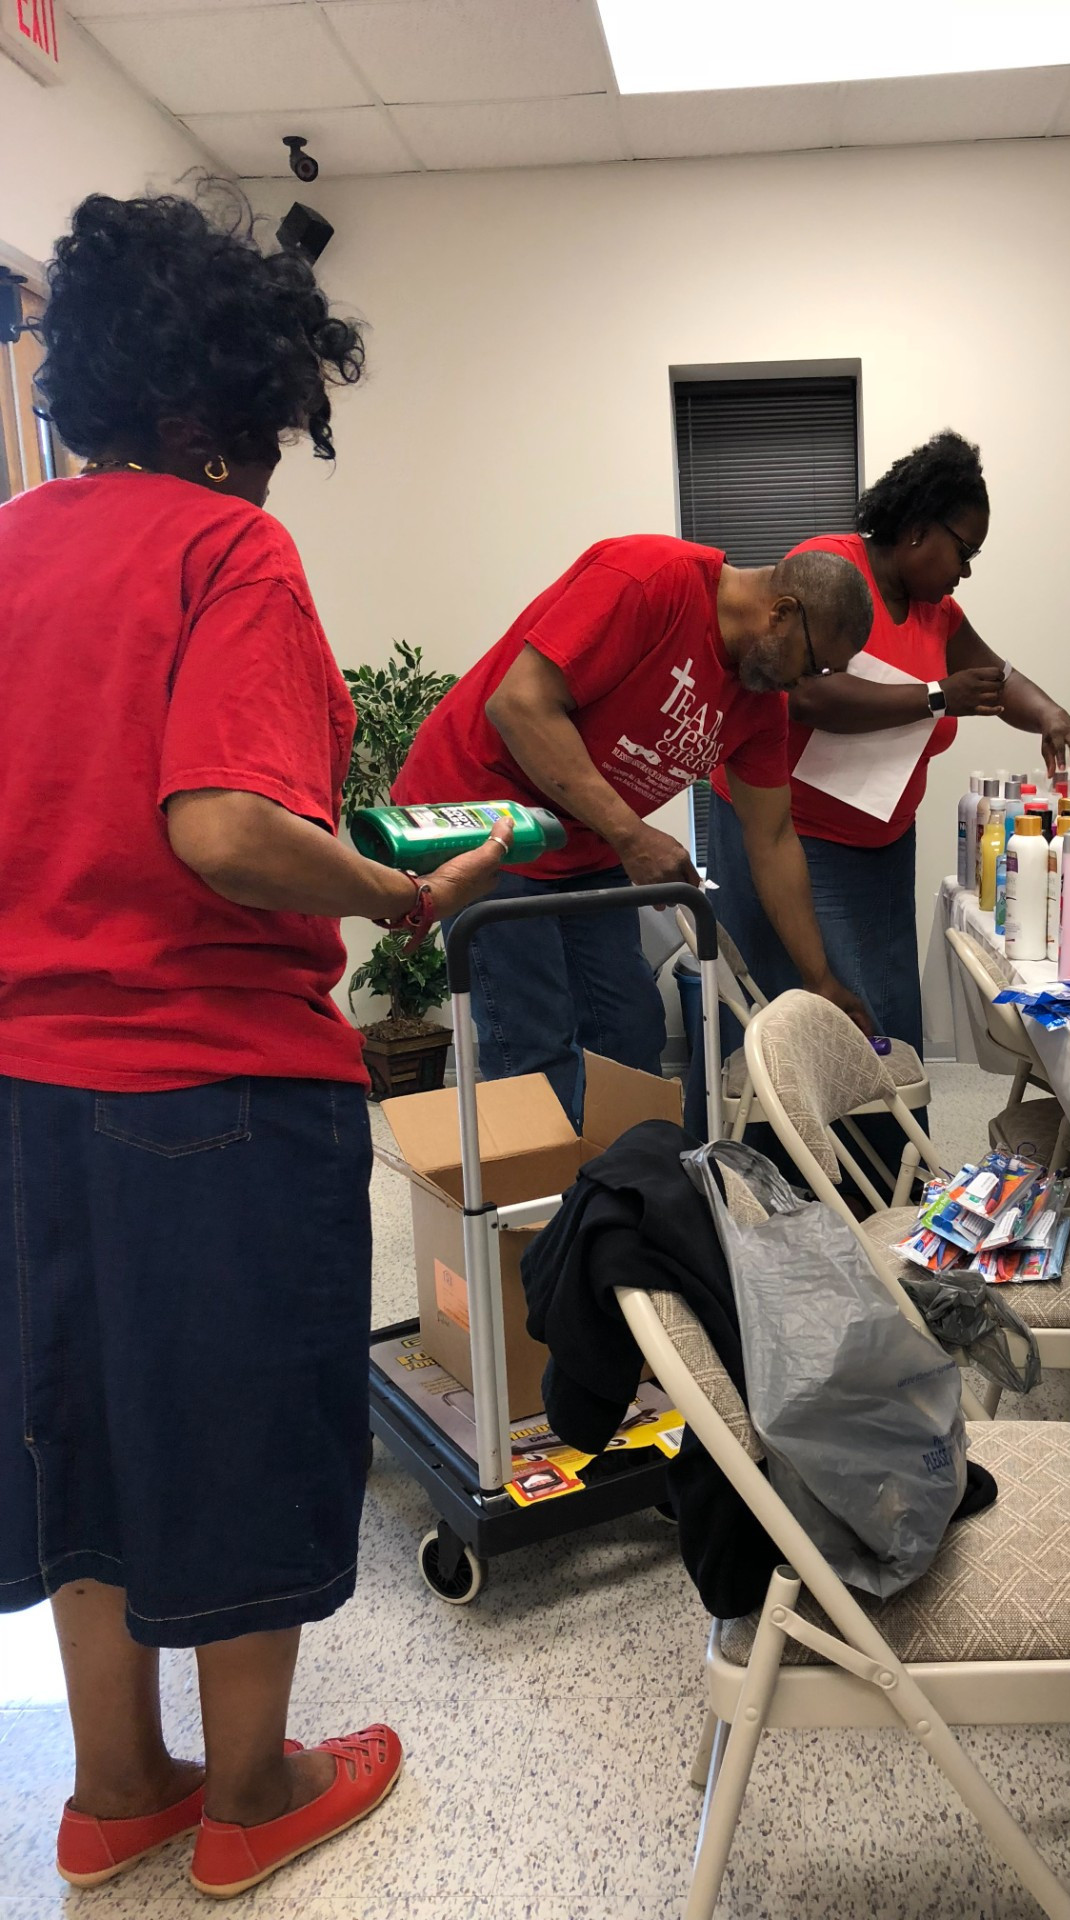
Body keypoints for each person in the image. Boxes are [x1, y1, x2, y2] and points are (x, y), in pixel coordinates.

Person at [0, 190, 513, 1899]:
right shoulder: (227, 548)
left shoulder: (8, 546)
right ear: (227, 411)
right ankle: (247, 1792)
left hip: (21, 1093)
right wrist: (393, 890)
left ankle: (111, 1791)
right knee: (232, 1429)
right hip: (208, 1092)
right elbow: (221, 826)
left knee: (73, 1429)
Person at [394, 536, 875, 1123]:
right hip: (486, 817)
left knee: (628, 1028)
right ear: (782, 613)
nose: (805, 685)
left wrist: (819, 980)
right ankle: (547, 1184)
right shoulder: (651, 579)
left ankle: (622, 1180)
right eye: (814, 664)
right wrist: (632, 836)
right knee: (534, 1043)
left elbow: (772, 839)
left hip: (585, 837)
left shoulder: (758, 706)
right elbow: (518, 705)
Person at [708, 430, 1070, 1094]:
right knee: (799, 1016)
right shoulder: (827, 569)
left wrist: (1052, 716)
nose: (964, 571)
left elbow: (996, 677)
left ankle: (891, 1154)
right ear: (918, 531)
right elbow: (803, 694)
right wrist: (936, 695)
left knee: (882, 1013)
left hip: (880, 842)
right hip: (786, 833)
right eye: (964, 551)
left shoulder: (937, 613)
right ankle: (791, 1158)